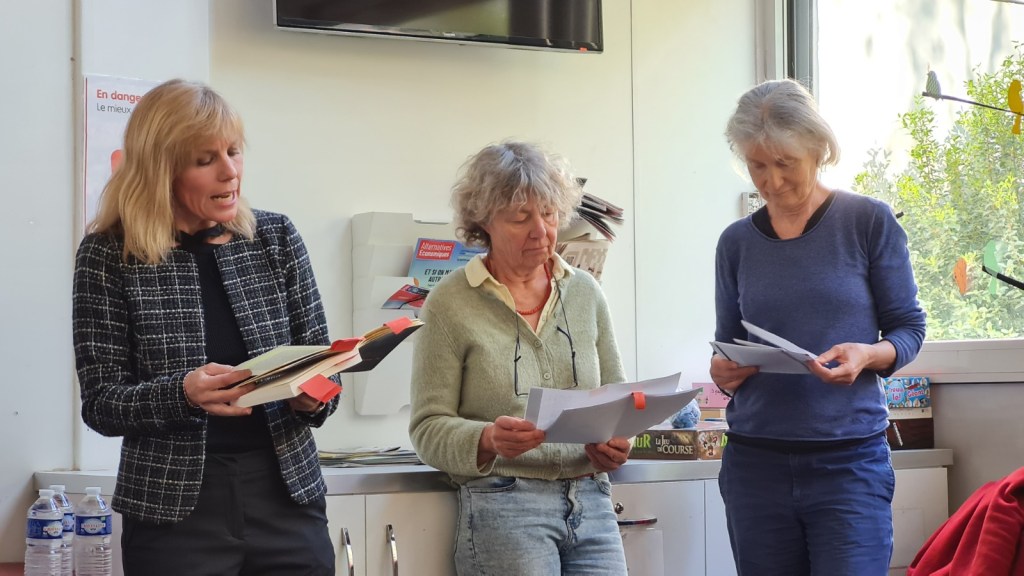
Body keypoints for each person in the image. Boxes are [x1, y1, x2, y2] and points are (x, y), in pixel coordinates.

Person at [72, 79, 336, 575]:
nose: (230, 171)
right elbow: (101, 403)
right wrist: (183, 394)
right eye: (205, 159)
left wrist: (314, 396)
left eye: (233, 151)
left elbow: (325, 367)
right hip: (173, 512)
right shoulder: (108, 254)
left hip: (287, 497)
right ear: (162, 170)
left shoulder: (275, 237)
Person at [710, 78, 927, 576]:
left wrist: (867, 355)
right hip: (755, 465)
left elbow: (909, 329)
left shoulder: (868, 222)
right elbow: (728, 346)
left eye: (785, 163)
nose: (771, 181)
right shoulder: (735, 243)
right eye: (757, 165)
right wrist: (723, 371)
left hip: (848, 464)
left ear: (818, 148)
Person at [409, 141, 631, 575]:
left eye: (549, 214)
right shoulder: (450, 303)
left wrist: (617, 444)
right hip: (504, 502)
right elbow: (427, 428)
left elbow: (619, 405)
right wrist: (488, 439)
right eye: (520, 217)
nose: (541, 231)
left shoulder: (585, 292)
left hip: (592, 500)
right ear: (484, 221)